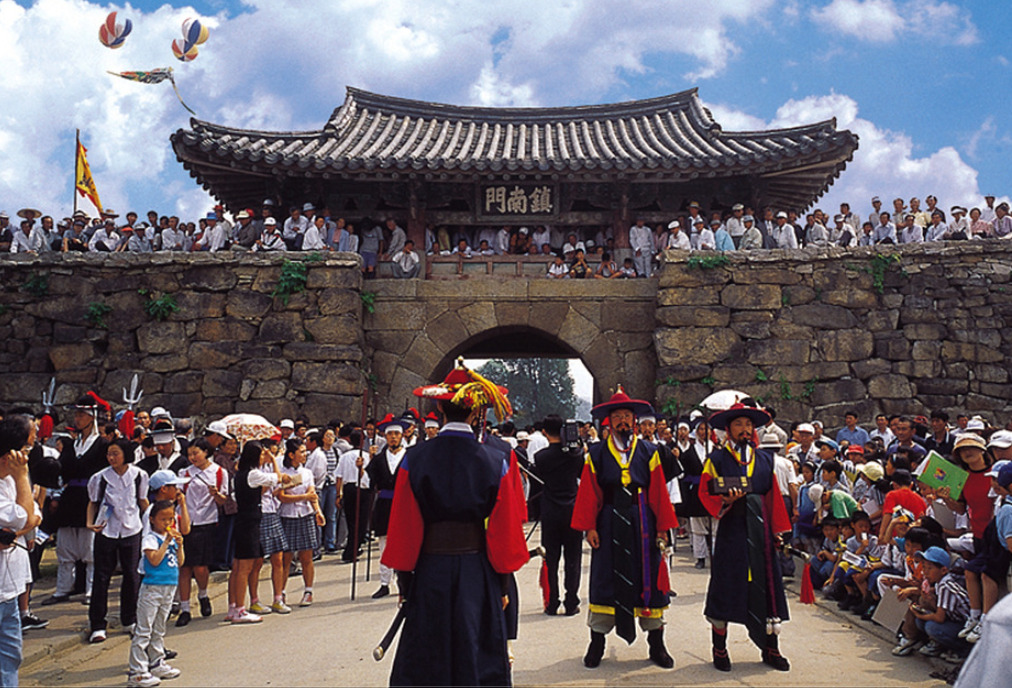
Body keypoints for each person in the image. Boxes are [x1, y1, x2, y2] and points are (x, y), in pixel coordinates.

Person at [381, 361, 528, 686]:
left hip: (430, 568)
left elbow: (404, 527)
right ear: (477, 412)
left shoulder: (414, 458)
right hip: (478, 570)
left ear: (439, 407)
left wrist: (405, 584)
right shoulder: (496, 460)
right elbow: (504, 529)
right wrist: (503, 586)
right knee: (475, 647)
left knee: (427, 651)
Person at [572, 388, 678, 669]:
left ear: (634, 420)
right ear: (608, 421)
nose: (622, 421)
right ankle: (597, 642)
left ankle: (656, 644)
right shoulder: (595, 453)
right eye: (617, 416)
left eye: (627, 416)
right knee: (605, 578)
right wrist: (589, 527)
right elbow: (589, 493)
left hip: (643, 519)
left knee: (648, 578)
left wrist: (662, 528)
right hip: (608, 521)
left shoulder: (649, 451)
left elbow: (658, 491)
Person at [699, 402, 792, 672]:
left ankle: (770, 647)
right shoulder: (716, 459)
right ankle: (720, 648)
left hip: (761, 531)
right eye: (739, 424)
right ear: (728, 430)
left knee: (768, 586)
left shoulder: (764, 459)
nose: (745, 429)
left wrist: (777, 531)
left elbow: (773, 495)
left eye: (748, 425)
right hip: (732, 530)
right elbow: (706, 492)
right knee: (726, 585)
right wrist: (725, 500)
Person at [45, 394, 111, 606]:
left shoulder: (101, 444)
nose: (77, 418)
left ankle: (92, 591)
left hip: (91, 499)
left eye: (82, 414)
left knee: (90, 548)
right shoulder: (70, 445)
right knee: (65, 546)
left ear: (91, 417)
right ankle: (63, 588)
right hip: (71, 498)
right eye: (77, 414)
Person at [85, 439, 149, 644]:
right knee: (102, 576)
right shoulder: (100, 478)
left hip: (132, 529)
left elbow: (142, 501)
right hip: (107, 530)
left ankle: (129, 619)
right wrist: (89, 523)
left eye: (116, 454)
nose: (111, 458)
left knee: (131, 575)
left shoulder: (139, 475)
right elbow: (93, 503)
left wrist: (152, 523)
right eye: (109, 454)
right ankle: (97, 624)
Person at [226, 441, 291, 624]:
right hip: (250, 521)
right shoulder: (253, 474)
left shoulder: (239, 475)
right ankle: (240, 609)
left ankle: (234, 607)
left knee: (238, 566)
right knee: (244, 567)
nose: (264, 458)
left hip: (242, 519)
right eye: (261, 455)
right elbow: (277, 478)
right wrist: (274, 462)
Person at [0, 417, 40, 687]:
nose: (27, 457)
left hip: (8, 591)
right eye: (26, 449)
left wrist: (20, 526)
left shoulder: (12, 481)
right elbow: (24, 517)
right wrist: (23, 476)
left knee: (11, 656)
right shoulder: (16, 478)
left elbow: (33, 518)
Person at [128, 501, 183, 687]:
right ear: (152, 519)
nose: (168, 522)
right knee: (144, 629)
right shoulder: (150, 538)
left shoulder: (172, 538)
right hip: (152, 588)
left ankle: (156, 661)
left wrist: (179, 545)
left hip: (169, 586)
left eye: (171, 518)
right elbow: (153, 559)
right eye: (163, 519)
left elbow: (180, 562)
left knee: (159, 628)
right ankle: (137, 671)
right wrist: (166, 542)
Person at [534, 415, 584, 616]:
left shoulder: (540, 457)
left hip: (551, 511)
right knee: (573, 558)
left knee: (551, 558)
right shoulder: (577, 454)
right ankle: (571, 601)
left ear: (544, 432)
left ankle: (552, 601)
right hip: (572, 509)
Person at [175, 439, 228, 627]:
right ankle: (185, 608)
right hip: (185, 522)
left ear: (206, 452)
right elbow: (177, 495)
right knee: (185, 566)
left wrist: (216, 494)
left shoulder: (220, 472)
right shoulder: (184, 473)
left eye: (195, 453)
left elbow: (223, 501)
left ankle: (203, 594)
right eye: (189, 454)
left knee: (200, 566)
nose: (192, 458)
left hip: (206, 522)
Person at [365, 414, 410, 599]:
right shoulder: (377, 459)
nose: (393, 437)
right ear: (385, 436)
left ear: (402, 436)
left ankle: (404, 582)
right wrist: (362, 467)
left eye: (396, 434)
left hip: (403, 504)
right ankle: (385, 583)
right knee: (383, 544)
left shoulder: (410, 456)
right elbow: (369, 483)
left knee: (404, 543)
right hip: (384, 504)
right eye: (389, 434)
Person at [277, 438, 324, 607]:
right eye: (301, 452)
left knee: (306, 557)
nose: (305, 455)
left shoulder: (307, 473)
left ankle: (308, 591)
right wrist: (304, 497)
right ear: (291, 455)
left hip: (306, 514)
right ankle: (280, 593)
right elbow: (282, 497)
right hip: (287, 515)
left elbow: (312, 494)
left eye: (305, 452)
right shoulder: (282, 472)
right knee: (286, 557)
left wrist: (318, 511)